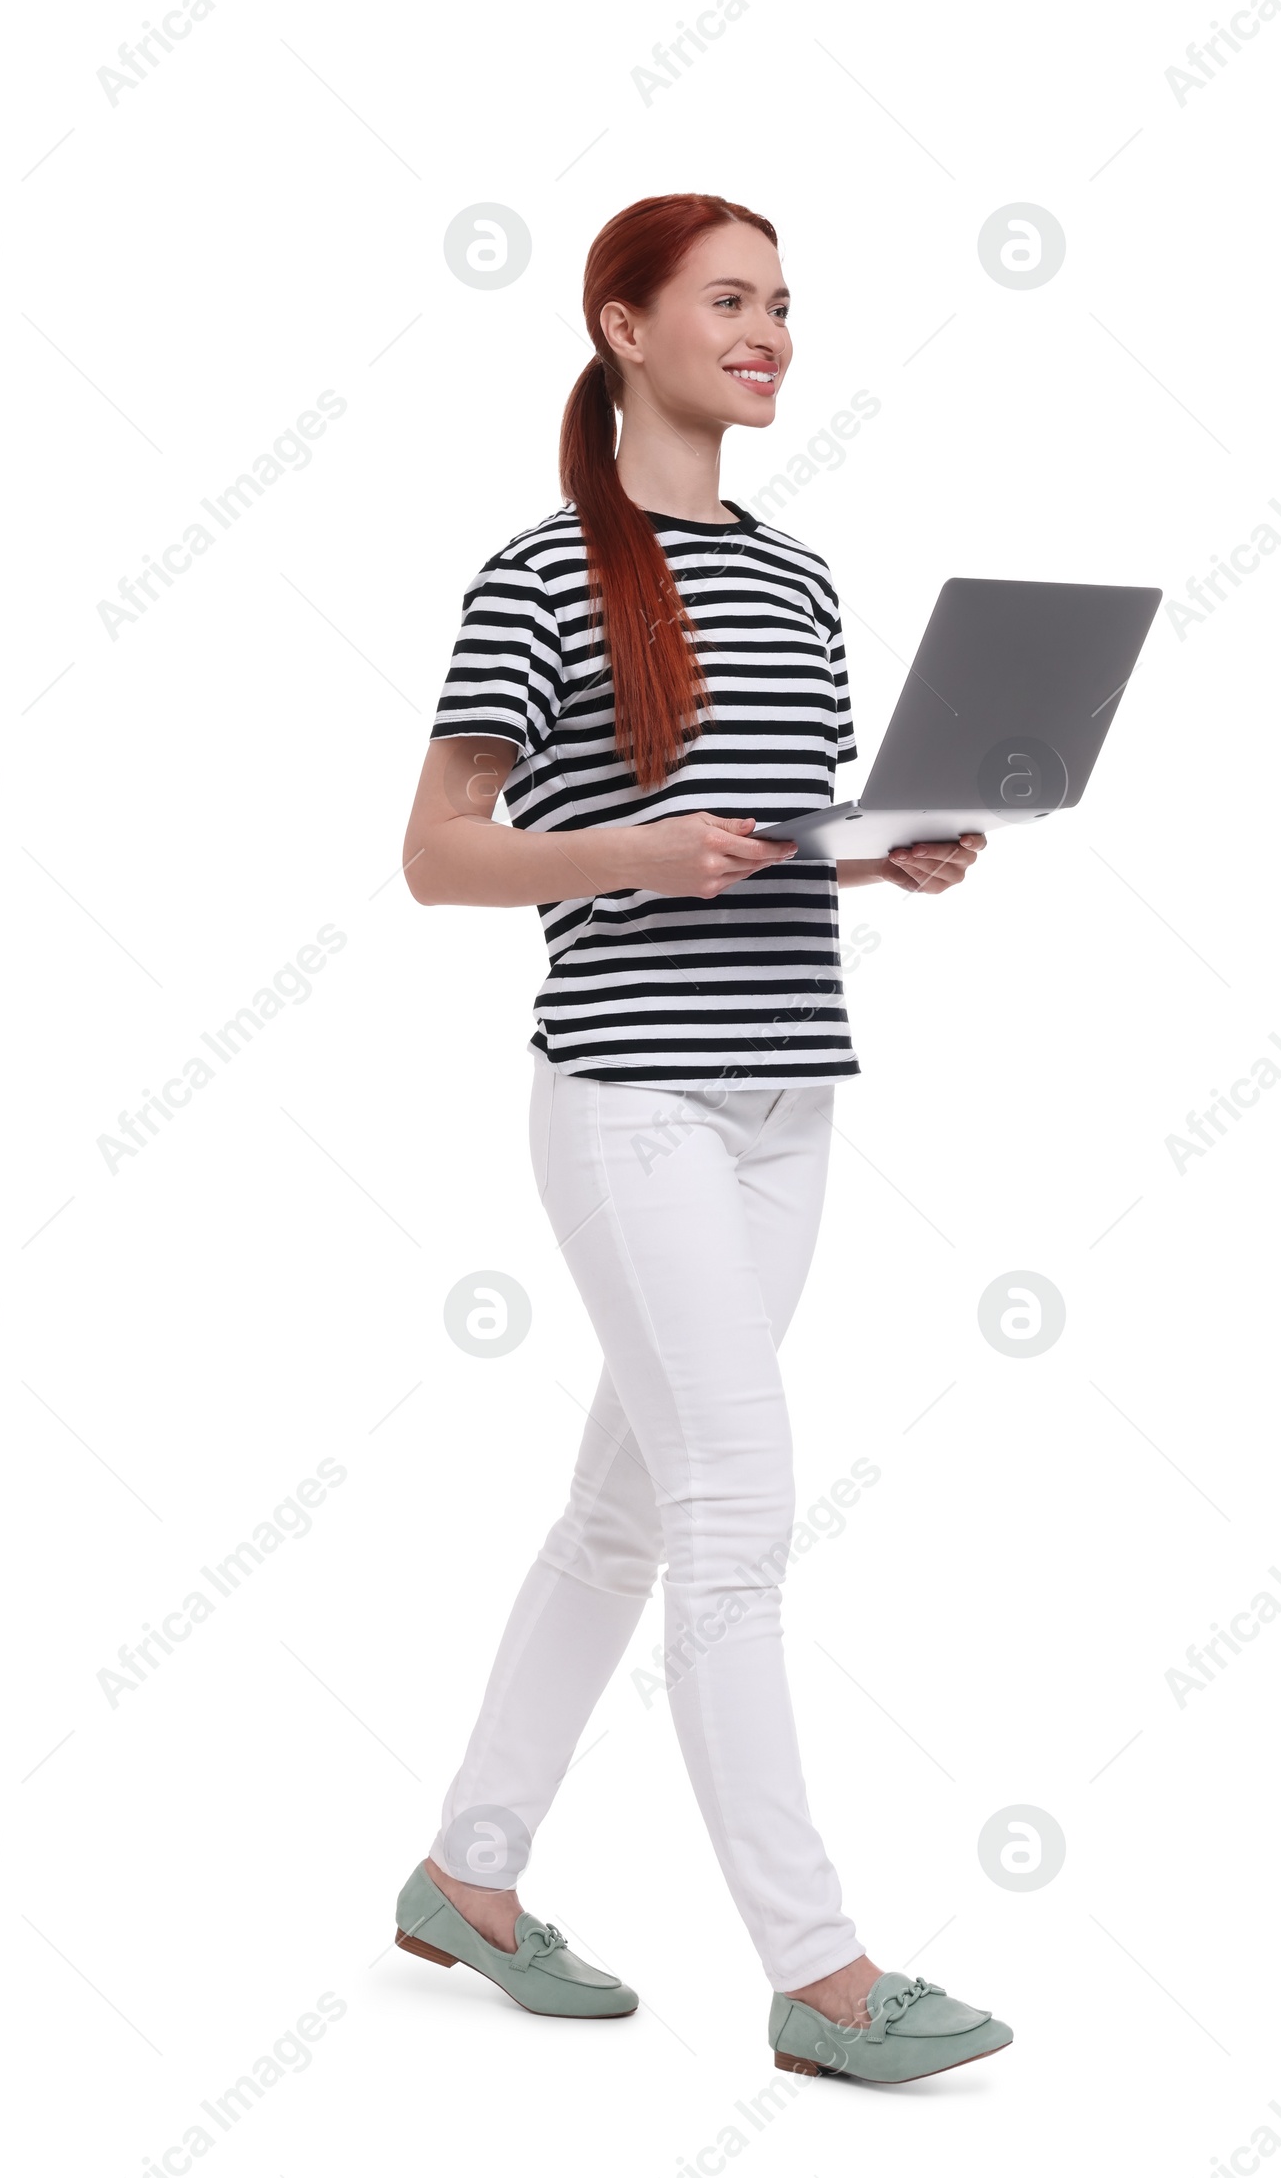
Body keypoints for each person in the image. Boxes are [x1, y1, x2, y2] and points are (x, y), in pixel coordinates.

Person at [392, 192, 1009, 2083]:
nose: (769, 333)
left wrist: (882, 849)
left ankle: (467, 1881)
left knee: (629, 1516)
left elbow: (766, 825)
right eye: (731, 301)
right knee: (737, 1517)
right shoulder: (540, 573)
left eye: (785, 306)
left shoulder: (806, 577)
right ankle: (823, 1978)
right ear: (623, 323)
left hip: (787, 1094)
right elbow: (435, 856)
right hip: (629, 1096)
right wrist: (628, 858)